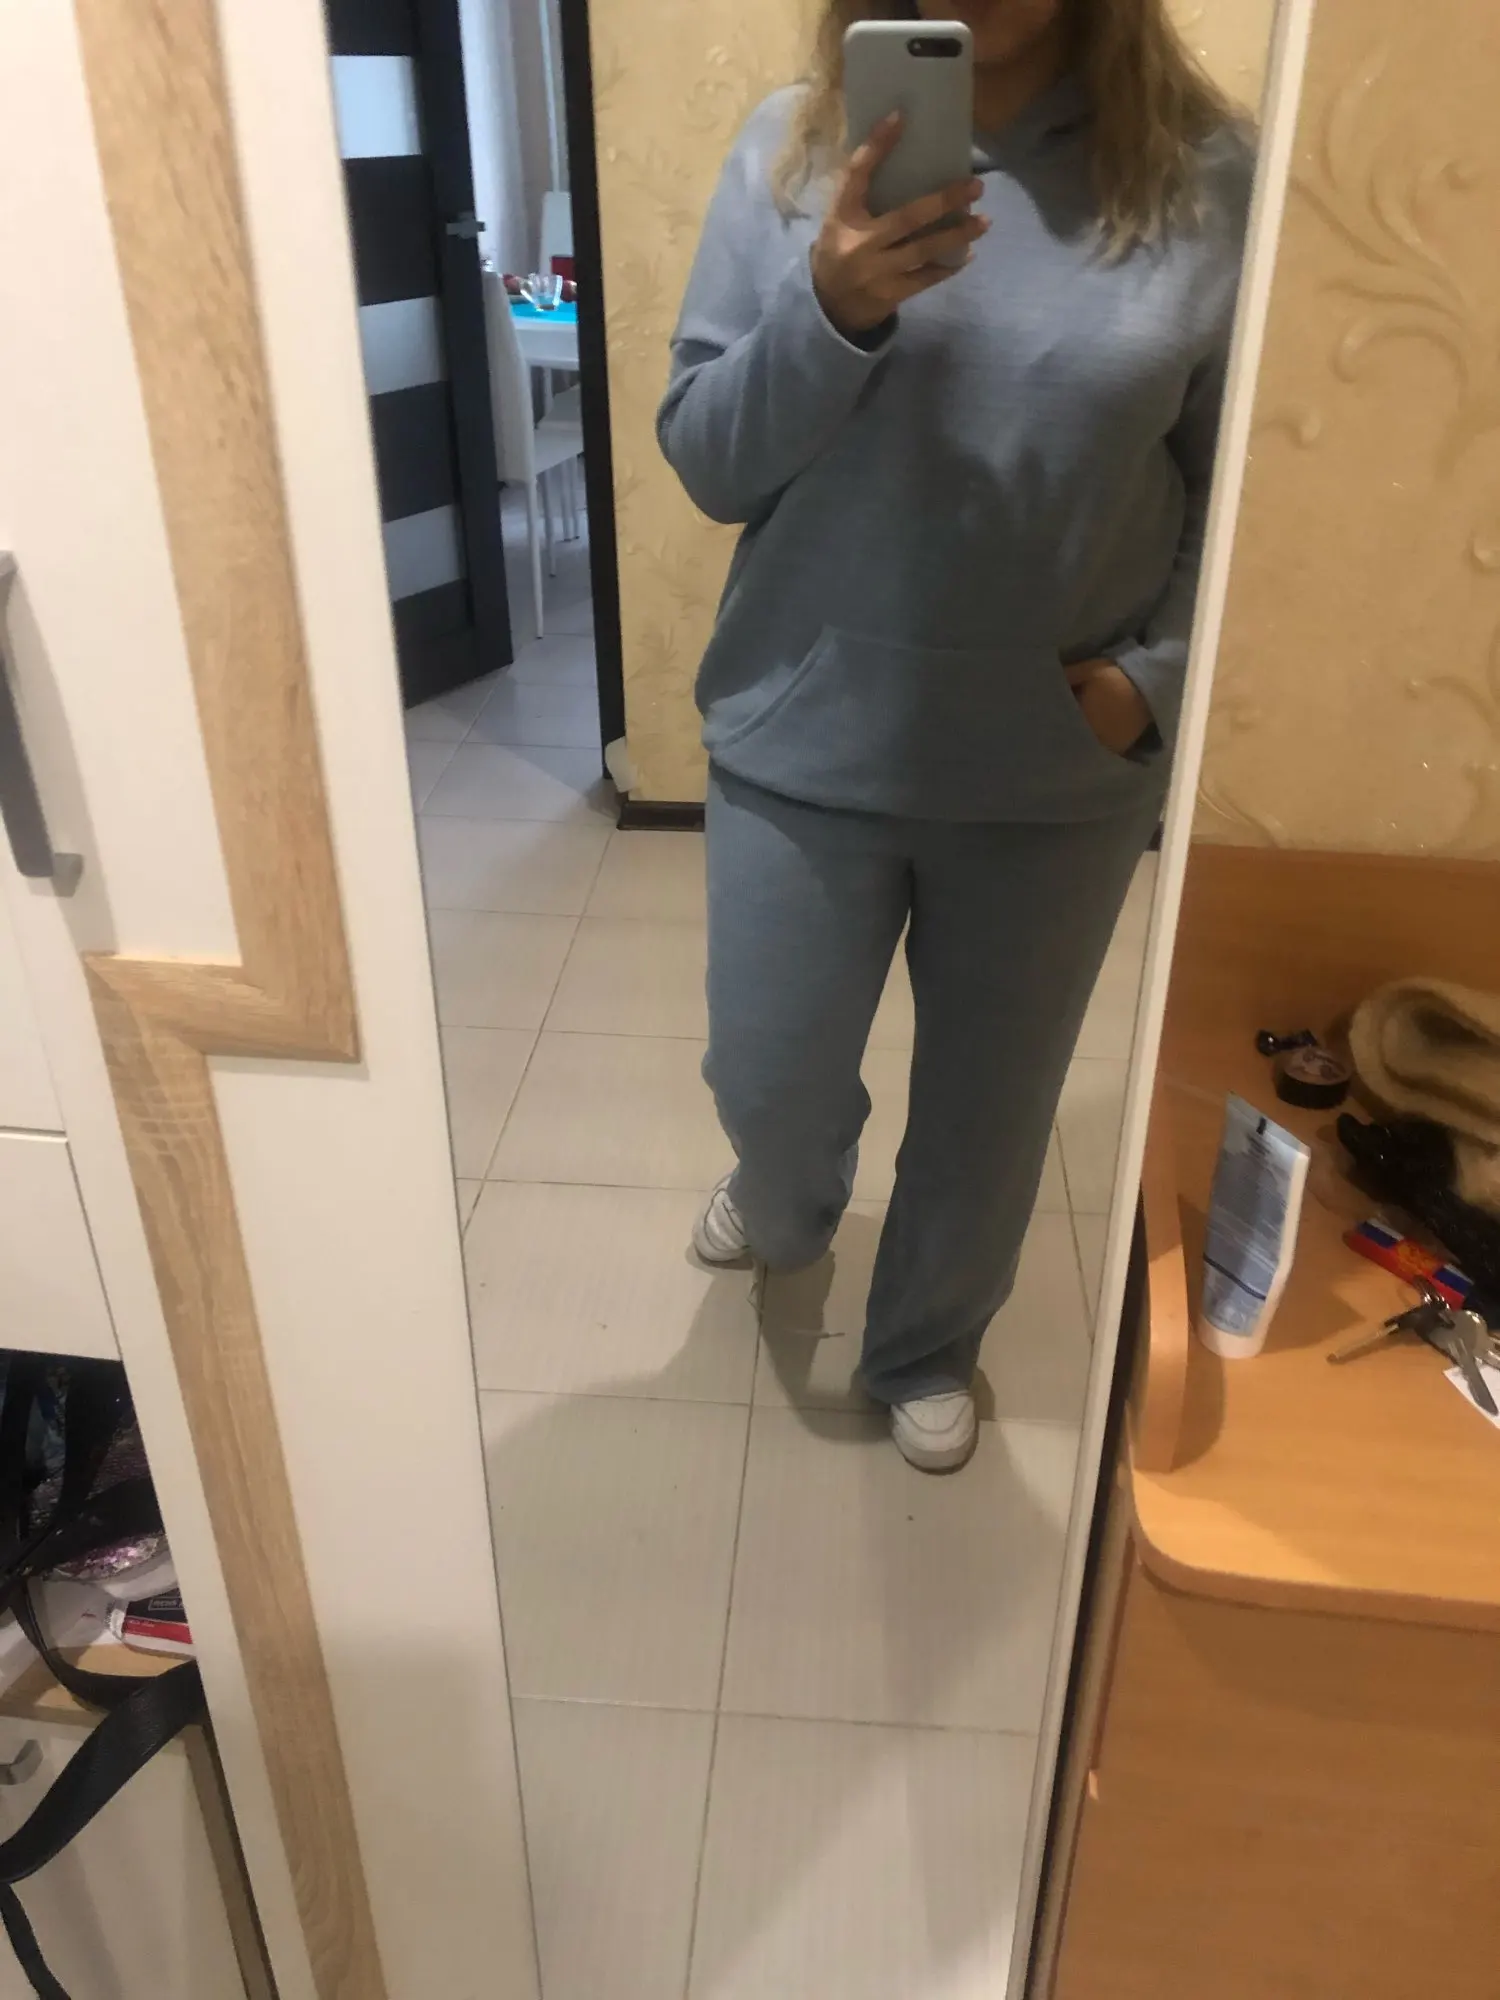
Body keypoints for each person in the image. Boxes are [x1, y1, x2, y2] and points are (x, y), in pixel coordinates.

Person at [657, 0, 1250, 1471]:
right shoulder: (792, 153)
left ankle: (925, 1340)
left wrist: (1151, 682)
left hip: (1052, 764)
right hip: (805, 731)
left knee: (990, 1111)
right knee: (770, 1083)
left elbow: (1231, 485)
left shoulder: (1203, 180)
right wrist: (829, 308)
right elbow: (710, 460)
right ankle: (783, 1200)